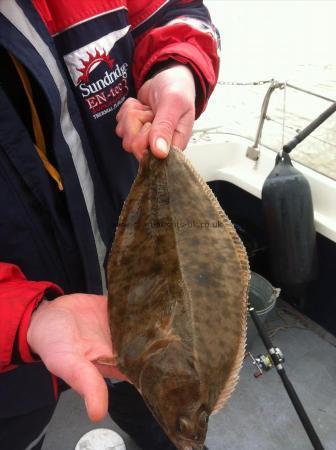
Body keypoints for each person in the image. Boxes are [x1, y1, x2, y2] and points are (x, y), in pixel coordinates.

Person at [0, 1, 220, 449]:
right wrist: (20, 320)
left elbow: (176, 11)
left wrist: (176, 67)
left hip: (123, 312)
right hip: (11, 372)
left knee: (159, 420)